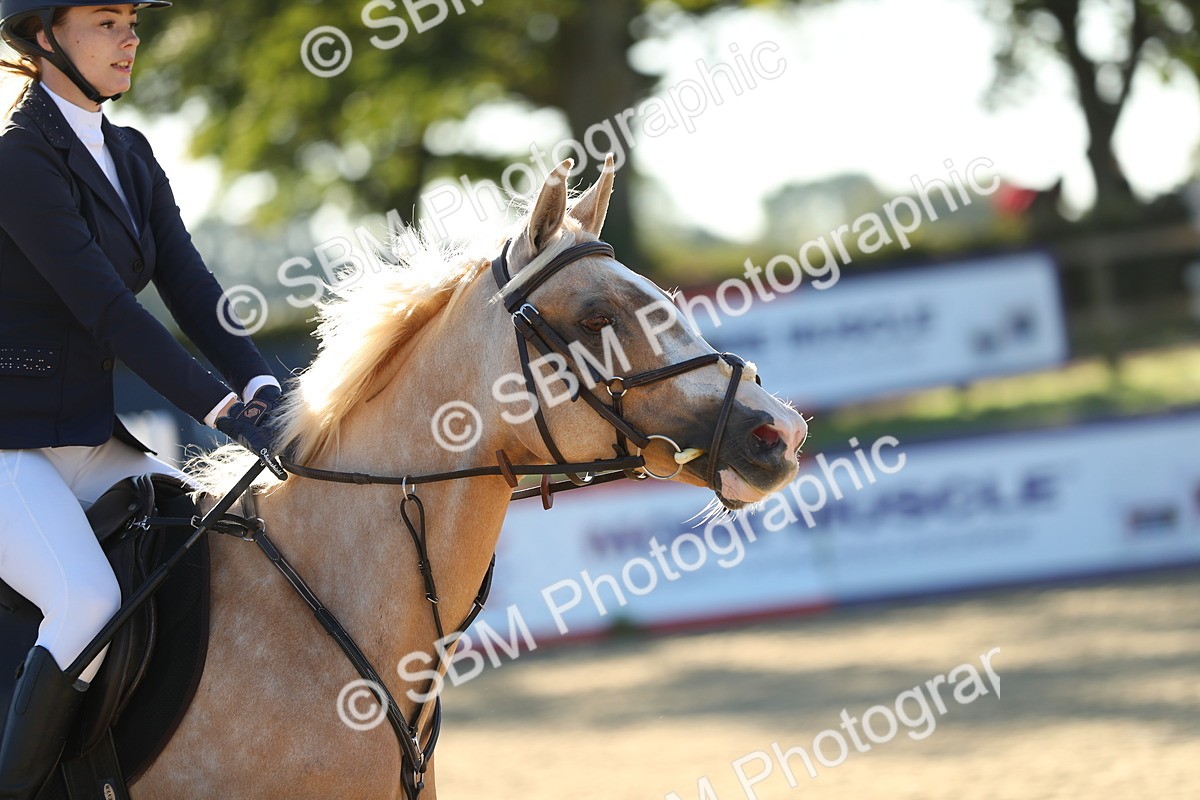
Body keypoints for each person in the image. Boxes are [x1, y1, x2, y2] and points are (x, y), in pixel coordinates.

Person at [0, 2, 286, 796]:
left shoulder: (130, 153)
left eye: (132, 19)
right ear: (43, 34)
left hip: (88, 440)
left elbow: (192, 289)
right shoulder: (18, 158)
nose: (130, 37)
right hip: (8, 449)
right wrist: (217, 407)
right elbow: (110, 311)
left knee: (227, 543)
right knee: (87, 601)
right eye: (106, 20)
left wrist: (263, 381)